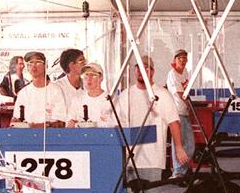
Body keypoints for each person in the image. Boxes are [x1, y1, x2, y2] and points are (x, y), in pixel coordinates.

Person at [114, 56, 190, 184]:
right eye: (139, 67)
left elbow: (173, 122)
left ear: (152, 71)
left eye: (146, 68)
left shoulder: (163, 95)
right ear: (135, 70)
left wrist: (178, 148)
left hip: (153, 159)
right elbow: (118, 124)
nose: (142, 71)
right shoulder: (125, 95)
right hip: (130, 159)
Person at [12, 51, 69, 127]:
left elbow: (60, 123)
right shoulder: (24, 93)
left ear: (46, 65)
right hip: (27, 136)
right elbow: (17, 121)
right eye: (30, 63)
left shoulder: (56, 90)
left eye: (38, 62)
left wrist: (33, 126)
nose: (33, 66)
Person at [165, 49, 195, 178]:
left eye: (184, 58)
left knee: (189, 143)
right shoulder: (172, 74)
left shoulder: (185, 73)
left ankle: (183, 167)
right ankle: (177, 170)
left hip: (184, 111)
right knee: (179, 142)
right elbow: (179, 93)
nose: (182, 60)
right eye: (179, 58)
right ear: (175, 60)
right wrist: (190, 104)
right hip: (176, 112)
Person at [68, 63, 117, 128]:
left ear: (101, 78)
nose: (89, 78)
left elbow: (117, 125)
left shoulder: (111, 100)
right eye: (86, 75)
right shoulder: (77, 100)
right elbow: (69, 125)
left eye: (93, 75)